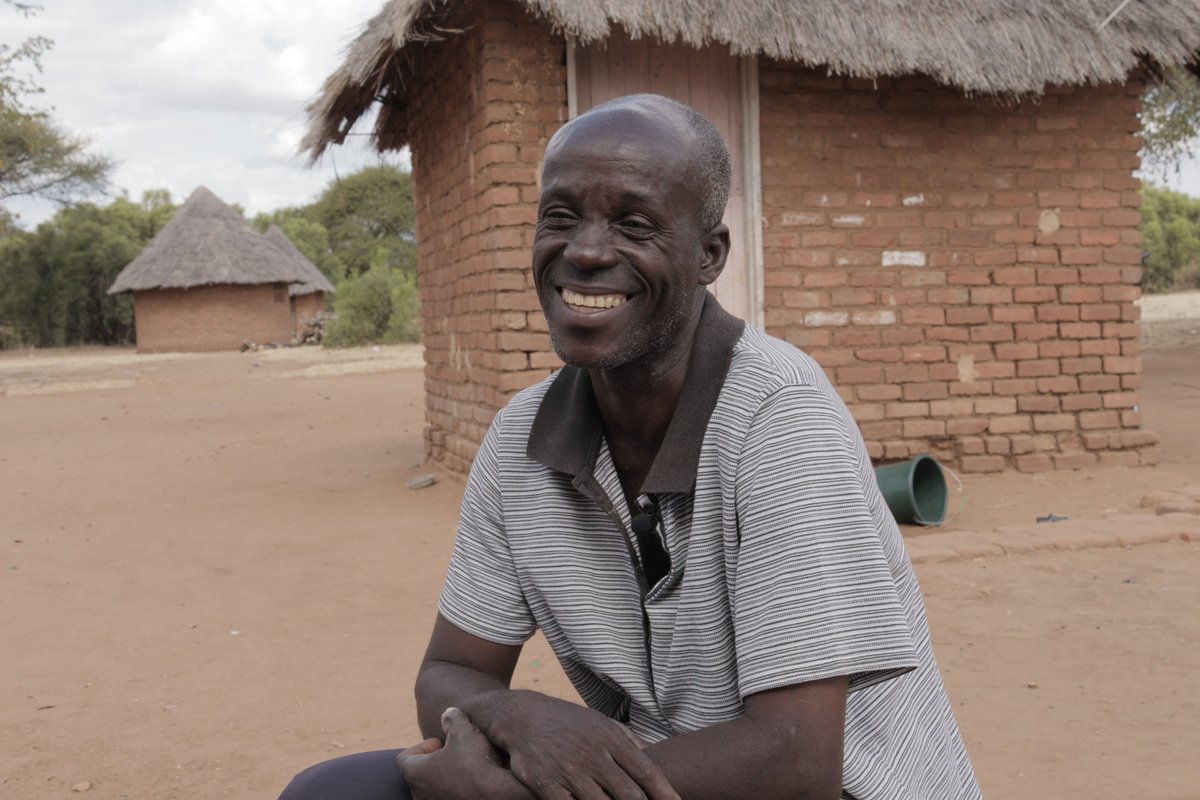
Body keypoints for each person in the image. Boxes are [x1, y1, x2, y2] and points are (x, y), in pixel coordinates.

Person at [281, 93, 982, 800]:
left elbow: (794, 762)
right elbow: (449, 673)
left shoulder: (779, 417)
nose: (584, 251)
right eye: (560, 216)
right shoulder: (519, 440)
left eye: (634, 223)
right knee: (335, 792)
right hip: (655, 780)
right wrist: (515, 713)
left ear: (709, 255)